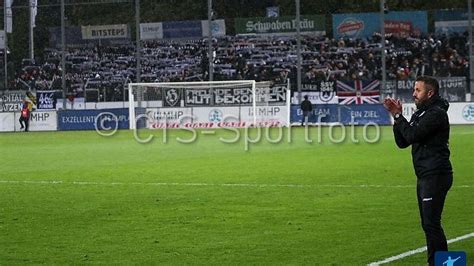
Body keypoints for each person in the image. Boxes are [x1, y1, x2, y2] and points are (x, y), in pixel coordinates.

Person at [383, 75, 453, 266]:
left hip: (436, 174)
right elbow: (402, 142)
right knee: (428, 224)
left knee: (431, 224)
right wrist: (396, 118)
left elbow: (413, 134)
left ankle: (442, 264)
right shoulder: (421, 113)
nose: (413, 94)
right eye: (414, 89)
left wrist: (398, 116)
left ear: (430, 93)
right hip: (425, 175)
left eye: (418, 90)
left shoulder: (436, 113)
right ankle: (441, 263)